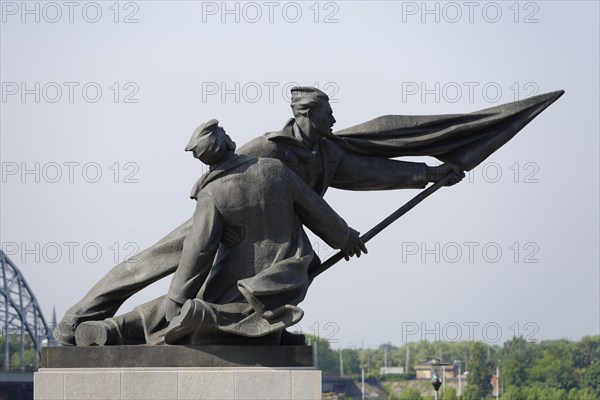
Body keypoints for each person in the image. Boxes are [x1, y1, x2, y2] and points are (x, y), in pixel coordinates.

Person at [56, 87, 464, 345]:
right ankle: (81, 315)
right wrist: (208, 201)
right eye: (328, 114)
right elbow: (226, 172)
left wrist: (428, 174)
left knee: (213, 292)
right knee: (159, 258)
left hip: (263, 242)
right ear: (305, 115)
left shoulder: (327, 152)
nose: (335, 120)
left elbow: (372, 172)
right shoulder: (268, 151)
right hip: (225, 215)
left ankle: (135, 326)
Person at [73, 119, 366, 345]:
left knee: (180, 308)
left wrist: (176, 301)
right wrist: (346, 238)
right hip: (285, 277)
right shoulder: (274, 170)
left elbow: (198, 252)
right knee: (196, 306)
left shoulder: (214, 194)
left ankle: (112, 329)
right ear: (227, 143)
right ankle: (110, 329)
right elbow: (317, 210)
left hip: (237, 283)